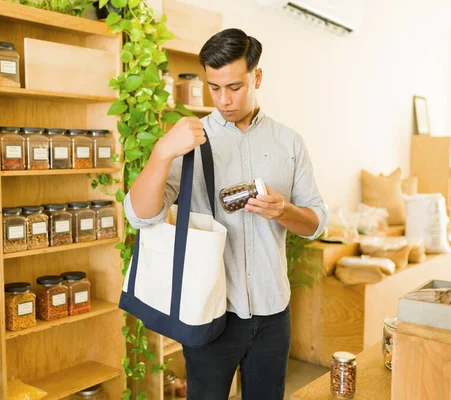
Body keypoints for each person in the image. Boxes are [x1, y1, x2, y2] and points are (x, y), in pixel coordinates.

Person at [124, 28, 327, 400]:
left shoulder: (289, 142)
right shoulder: (191, 139)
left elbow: (315, 223)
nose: (223, 100)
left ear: (257, 77)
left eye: (234, 86)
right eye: (213, 87)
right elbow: (140, 216)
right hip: (210, 313)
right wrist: (162, 152)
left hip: (273, 314)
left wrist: (284, 210)